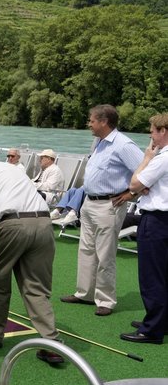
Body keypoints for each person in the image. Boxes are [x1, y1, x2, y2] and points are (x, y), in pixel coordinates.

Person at [0, 142, 64, 365]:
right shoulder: (11, 169)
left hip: (12, 227)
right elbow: (5, 203)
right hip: (43, 224)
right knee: (37, 287)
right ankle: (52, 343)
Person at [60, 104, 143, 316]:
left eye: (92, 120)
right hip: (89, 202)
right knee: (86, 249)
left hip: (110, 204)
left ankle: (105, 300)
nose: (89, 124)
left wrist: (131, 195)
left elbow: (145, 172)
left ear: (104, 122)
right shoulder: (97, 141)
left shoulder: (124, 145)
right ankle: (85, 293)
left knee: (105, 254)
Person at [120, 113, 168, 345]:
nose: (150, 135)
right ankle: (161, 321)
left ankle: (151, 330)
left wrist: (147, 158)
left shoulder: (162, 158)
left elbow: (134, 184)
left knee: (152, 277)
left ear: (163, 131)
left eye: (153, 131)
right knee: (164, 275)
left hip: (157, 221)